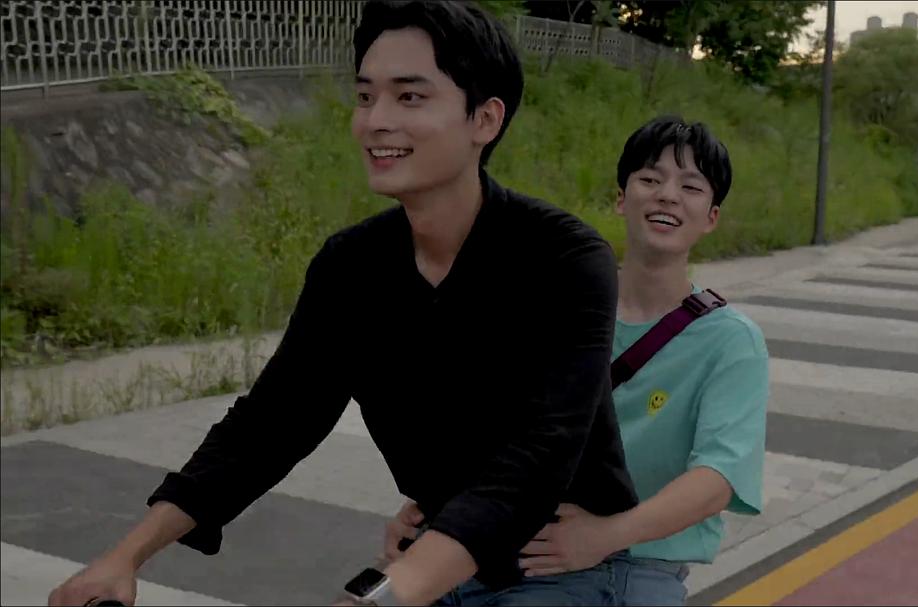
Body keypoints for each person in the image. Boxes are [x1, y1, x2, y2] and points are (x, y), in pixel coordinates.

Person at [47, 2, 638, 606]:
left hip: (562, 569)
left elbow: (537, 457)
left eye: (409, 97)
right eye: (364, 97)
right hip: (432, 562)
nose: (376, 121)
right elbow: (271, 424)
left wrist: (385, 594)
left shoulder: (565, 260)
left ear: (484, 119)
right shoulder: (352, 264)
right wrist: (123, 558)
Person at [387, 117, 769, 606]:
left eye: (691, 187)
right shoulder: (557, 303)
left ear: (711, 217)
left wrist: (605, 535)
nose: (668, 196)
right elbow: (499, 428)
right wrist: (435, 508)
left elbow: (719, 478)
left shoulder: (730, 342)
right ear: (621, 199)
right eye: (650, 179)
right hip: (505, 545)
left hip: (631, 563)